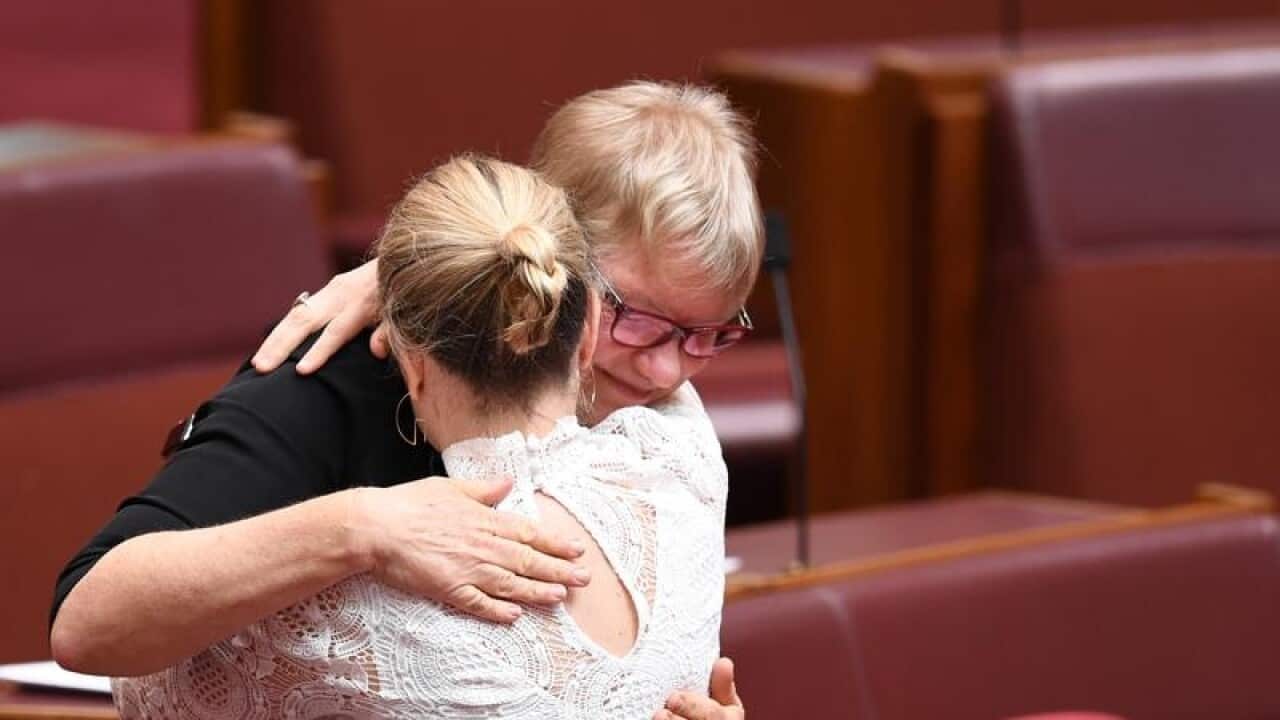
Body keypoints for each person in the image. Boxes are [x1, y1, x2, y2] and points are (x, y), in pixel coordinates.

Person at [53, 81, 758, 720]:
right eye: (637, 319)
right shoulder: (339, 373)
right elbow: (90, 622)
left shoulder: (666, 427)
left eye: (708, 336)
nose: (667, 370)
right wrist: (359, 528)